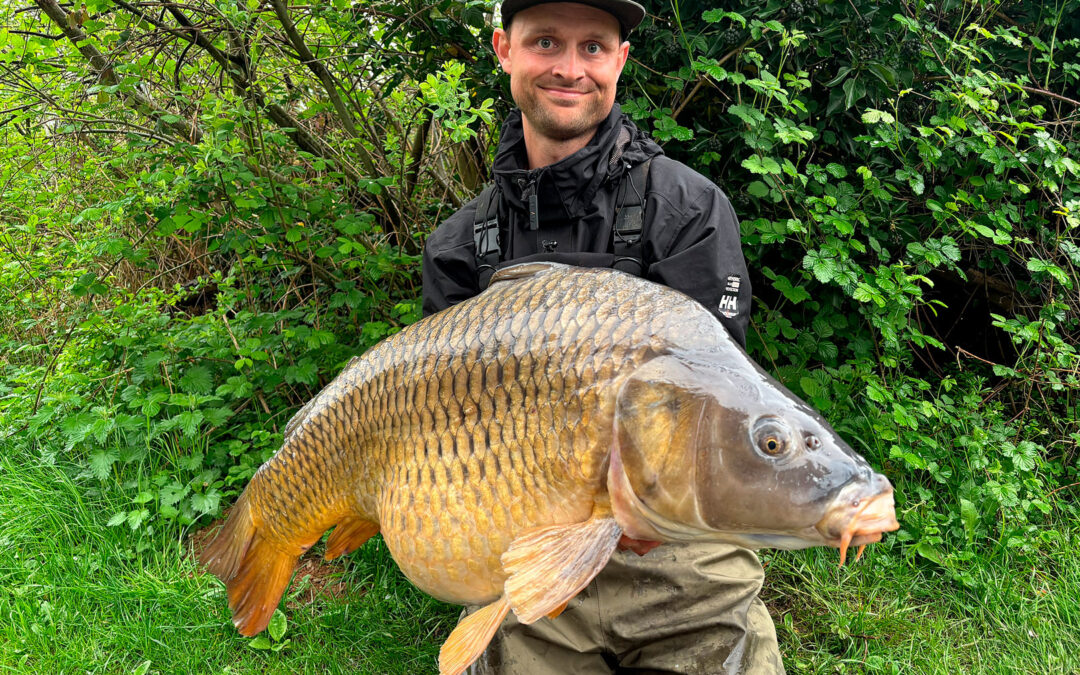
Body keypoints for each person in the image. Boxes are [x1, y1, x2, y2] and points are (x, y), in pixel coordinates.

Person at [421, 0, 784, 672]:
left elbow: (719, 411)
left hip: (683, 549)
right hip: (531, 543)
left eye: (593, 47)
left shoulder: (689, 210)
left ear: (620, 60)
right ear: (504, 49)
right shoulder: (459, 245)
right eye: (546, 42)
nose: (569, 67)